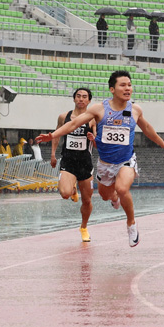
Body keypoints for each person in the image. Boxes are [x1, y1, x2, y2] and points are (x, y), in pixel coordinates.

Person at [36, 70, 164, 247]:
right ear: (112, 89)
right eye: (123, 85)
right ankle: (114, 198)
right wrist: (53, 135)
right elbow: (73, 124)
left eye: (129, 85)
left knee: (122, 187)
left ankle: (131, 224)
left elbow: (147, 127)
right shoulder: (99, 109)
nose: (128, 88)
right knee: (105, 195)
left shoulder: (135, 110)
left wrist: (162, 143)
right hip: (105, 164)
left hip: (126, 160)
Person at [51, 87, 97, 242]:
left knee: (87, 201)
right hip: (68, 161)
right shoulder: (64, 117)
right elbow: (56, 135)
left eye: (84, 97)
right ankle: (71, 190)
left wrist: (93, 139)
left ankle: (83, 227)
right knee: (64, 193)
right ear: (74, 99)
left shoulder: (93, 119)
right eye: (78, 96)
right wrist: (53, 154)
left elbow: (98, 143)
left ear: (89, 100)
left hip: (85, 163)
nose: (81, 99)